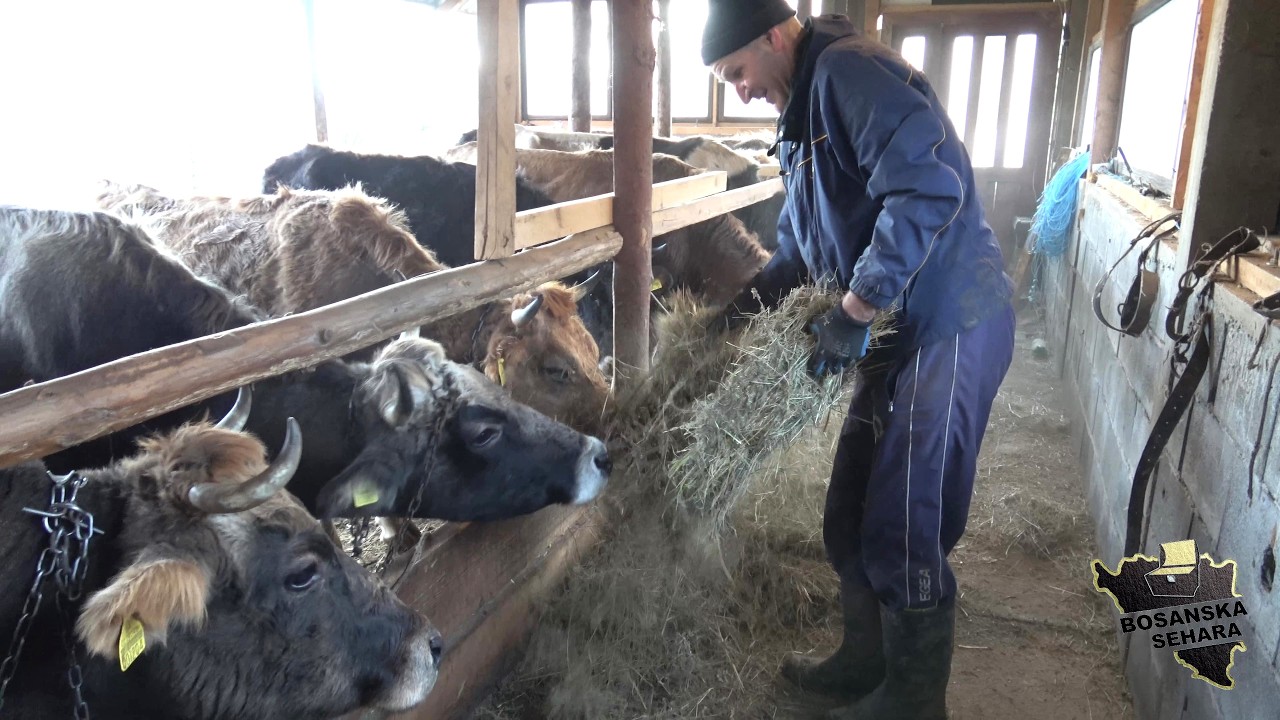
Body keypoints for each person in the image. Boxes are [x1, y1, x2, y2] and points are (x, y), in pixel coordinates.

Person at [702, 2, 1016, 718]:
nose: (740, 91)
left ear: (775, 36)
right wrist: (729, 319)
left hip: (950, 317)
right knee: (850, 506)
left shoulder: (848, 74)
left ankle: (913, 700)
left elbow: (929, 187)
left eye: (739, 72)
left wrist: (855, 309)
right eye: (727, 81)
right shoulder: (801, 119)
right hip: (896, 332)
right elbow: (797, 253)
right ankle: (864, 658)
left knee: (906, 514)